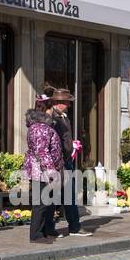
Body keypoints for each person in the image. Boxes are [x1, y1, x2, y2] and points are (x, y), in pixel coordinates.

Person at [48, 88, 90, 237]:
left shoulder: (64, 117)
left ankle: (74, 226)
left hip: (66, 161)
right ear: (59, 103)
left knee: (69, 195)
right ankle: (50, 227)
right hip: (57, 162)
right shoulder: (51, 117)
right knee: (54, 197)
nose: (69, 105)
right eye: (67, 102)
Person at [25, 91, 63, 243]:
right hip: (40, 171)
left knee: (47, 202)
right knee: (40, 203)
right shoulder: (40, 127)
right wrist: (52, 171)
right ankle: (36, 235)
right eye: (51, 107)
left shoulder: (42, 126)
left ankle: (46, 229)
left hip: (43, 170)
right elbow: (42, 151)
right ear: (46, 109)